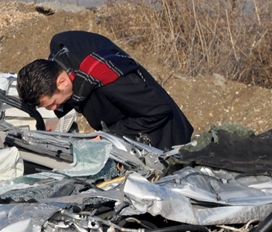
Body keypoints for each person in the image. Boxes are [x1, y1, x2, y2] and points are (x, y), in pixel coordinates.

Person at [16, 30, 193, 150]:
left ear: (62, 82)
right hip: (125, 123)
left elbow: (158, 110)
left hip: (164, 140)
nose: (54, 109)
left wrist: (109, 135)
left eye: (52, 104)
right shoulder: (61, 57)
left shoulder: (109, 80)